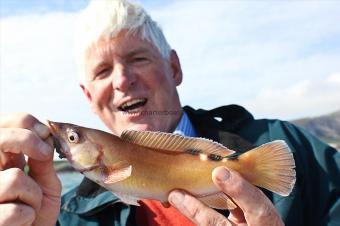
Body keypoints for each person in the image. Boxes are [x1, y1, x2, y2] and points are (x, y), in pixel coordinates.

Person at [0, 0, 339, 225]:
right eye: (102, 71)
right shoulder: (62, 214)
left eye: (138, 58)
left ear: (174, 68)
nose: (122, 80)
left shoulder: (289, 145)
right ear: (89, 97)